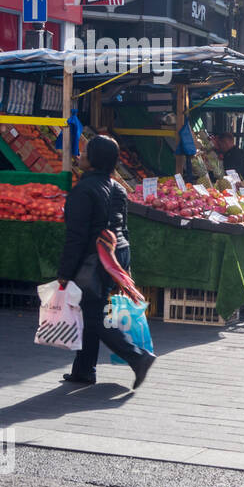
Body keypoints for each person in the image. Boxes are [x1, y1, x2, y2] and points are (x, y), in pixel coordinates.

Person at [56, 135, 155, 388]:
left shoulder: (83, 191)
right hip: (116, 254)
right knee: (91, 309)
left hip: (95, 257)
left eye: (85, 152)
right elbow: (124, 229)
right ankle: (84, 370)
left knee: (91, 316)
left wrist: (65, 273)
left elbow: (76, 237)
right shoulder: (118, 188)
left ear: (94, 159)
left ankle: (137, 356)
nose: (81, 155)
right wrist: (125, 267)